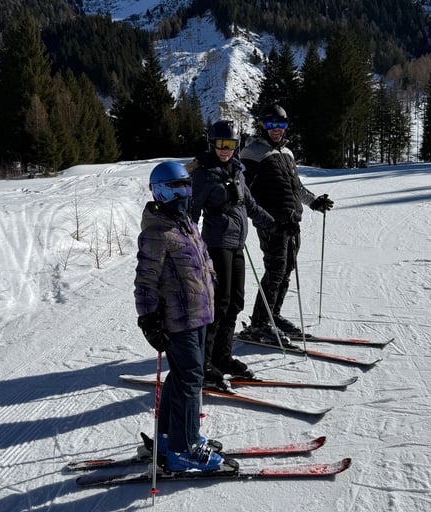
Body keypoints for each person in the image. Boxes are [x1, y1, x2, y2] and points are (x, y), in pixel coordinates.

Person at [134, 161, 223, 472]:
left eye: (187, 186)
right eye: (176, 187)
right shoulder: (157, 231)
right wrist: (148, 320)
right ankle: (183, 449)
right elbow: (145, 280)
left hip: (199, 313)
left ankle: (168, 437)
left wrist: (211, 278)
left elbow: (203, 256)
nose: (184, 192)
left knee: (181, 376)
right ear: (160, 191)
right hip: (177, 319)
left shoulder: (186, 223)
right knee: (191, 379)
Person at [189, 120, 276, 388]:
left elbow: (249, 204)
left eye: (230, 144)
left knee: (236, 302)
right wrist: (190, 245)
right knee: (219, 305)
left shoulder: (237, 171)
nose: (225, 149)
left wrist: (273, 224)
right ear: (212, 144)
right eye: (220, 144)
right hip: (217, 245)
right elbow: (193, 213)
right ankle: (205, 365)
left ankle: (223, 358)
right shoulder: (203, 175)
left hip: (237, 244)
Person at [239, 104, 334, 341]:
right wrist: (264, 219)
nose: (276, 128)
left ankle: (273, 314)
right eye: (270, 124)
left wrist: (314, 202)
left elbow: (296, 187)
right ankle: (260, 323)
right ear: (262, 125)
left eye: (280, 123)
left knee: (286, 268)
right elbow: (243, 192)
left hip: (291, 222)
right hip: (271, 224)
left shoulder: (287, 153)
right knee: (275, 270)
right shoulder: (252, 153)